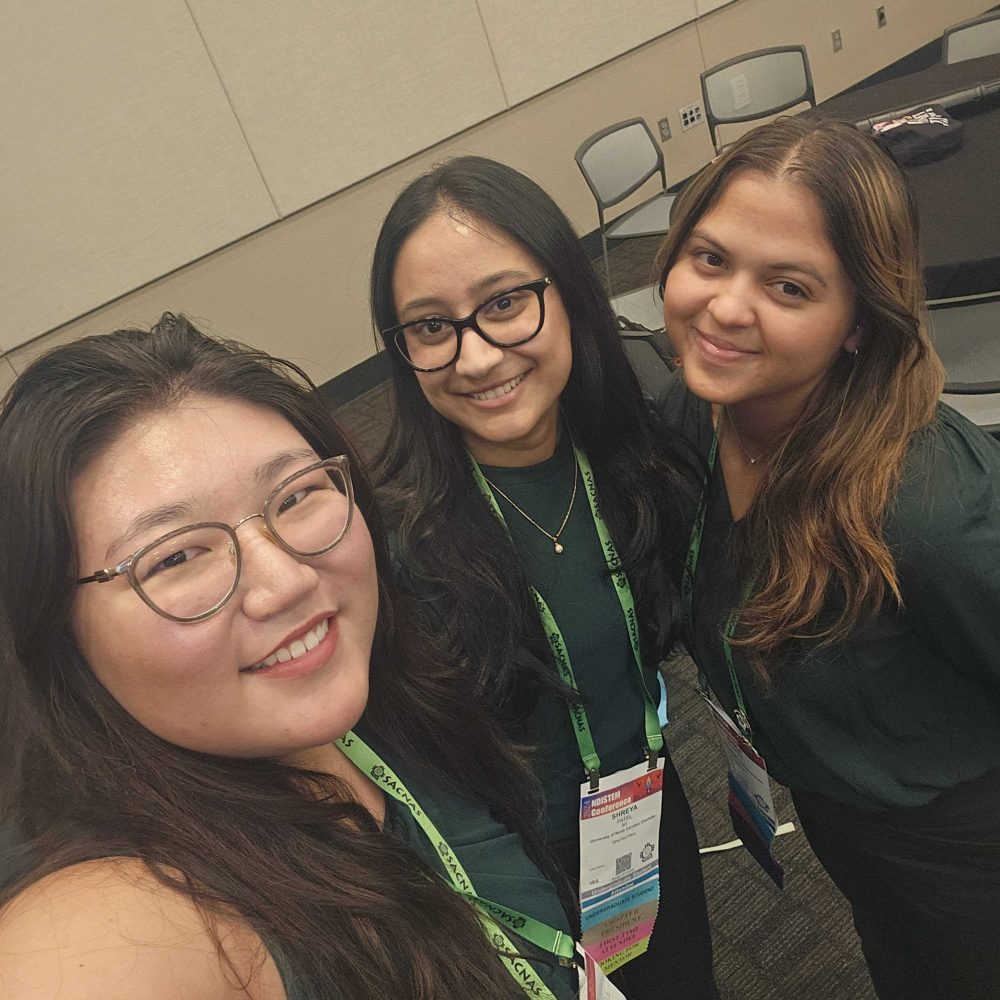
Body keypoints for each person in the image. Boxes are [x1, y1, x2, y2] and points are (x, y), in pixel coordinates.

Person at [0, 314, 583, 1000]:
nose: (289, 581)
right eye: (178, 556)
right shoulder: (123, 919)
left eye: (297, 494)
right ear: (54, 629)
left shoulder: (378, 690)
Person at [657, 115, 1000, 999]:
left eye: (790, 287)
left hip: (962, 847)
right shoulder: (700, 420)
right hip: (843, 815)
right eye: (709, 258)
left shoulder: (926, 505)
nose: (727, 308)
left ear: (858, 322)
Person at [371, 156, 717, 999]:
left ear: (566, 290)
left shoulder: (639, 456)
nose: (477, 357)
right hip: (512, 867)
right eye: (430, 326)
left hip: (644, 813)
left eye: (502, 304)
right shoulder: (392, 543)